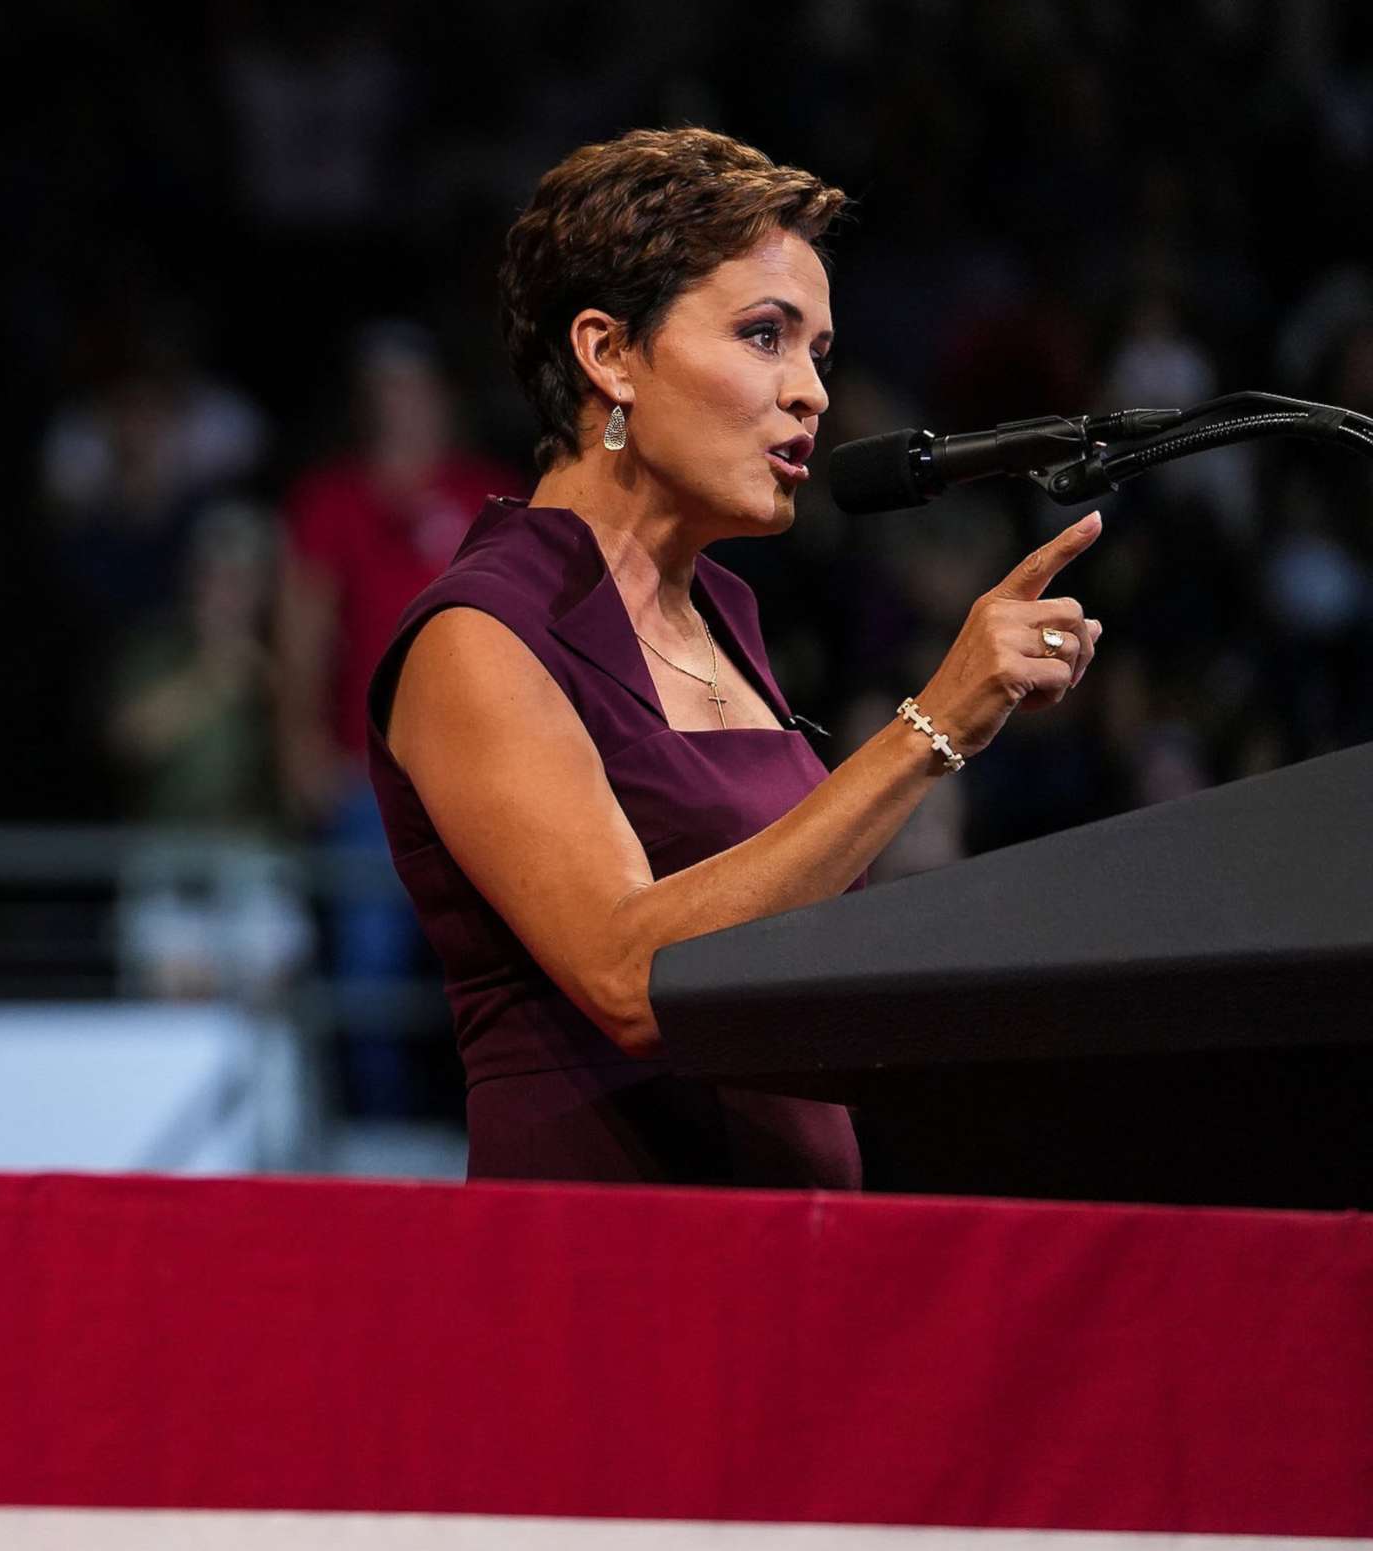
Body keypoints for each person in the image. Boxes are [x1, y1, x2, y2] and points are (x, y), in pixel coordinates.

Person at [369, 128, 1104, 1186]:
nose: (810, 390)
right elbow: (632, 976)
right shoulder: (478, 633)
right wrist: (932, 727)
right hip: (605, 1268)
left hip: (791, 1257)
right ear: (607, 352)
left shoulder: (726, 614)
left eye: (820, 352)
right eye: (766, 336)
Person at [278, 322, 518, 1114]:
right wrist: (300, 744)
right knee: (368, 966)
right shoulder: (333, 499)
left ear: (443, 398)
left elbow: (531, 628)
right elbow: (303, 631)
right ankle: (377, 1130)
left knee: (493, 962)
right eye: (385, 390)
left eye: (413, 387)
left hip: (485, 781)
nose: (401, 406)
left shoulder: (489, 492)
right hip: (370, 779)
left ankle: (481, 1123)